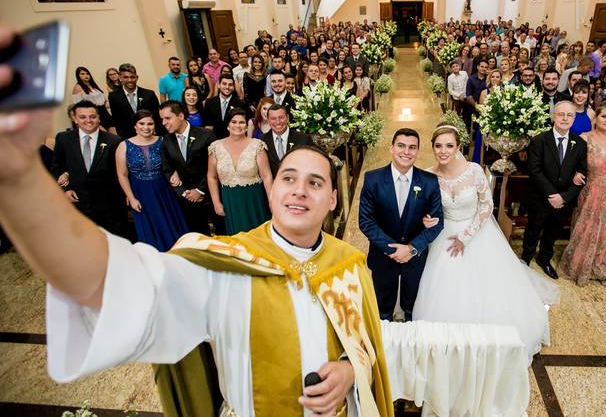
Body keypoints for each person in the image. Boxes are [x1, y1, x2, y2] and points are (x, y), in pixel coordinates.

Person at [0, 82, 393, 415]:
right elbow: (120, 283)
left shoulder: (349, 266)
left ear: (333, 200)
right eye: (288, 178)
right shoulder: (222, 264)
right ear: (272, 190)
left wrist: (349, 371)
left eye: (315, 182)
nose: (300, 190)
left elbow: (364, 341)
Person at [412, 125, 558, 362]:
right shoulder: (428, 175)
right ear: (432, 148)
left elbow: (486, 205)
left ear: (458, 147)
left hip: (476, 232)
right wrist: (426, 219)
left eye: (449, 145)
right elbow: (424, 207)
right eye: (438, 146)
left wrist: (465, 237)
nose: (443, 151)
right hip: (443, 234)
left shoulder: (474, 171)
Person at [359, 129, 444, 322]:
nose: (406, 152)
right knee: (382, 311)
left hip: (416, 259)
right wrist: (394, 250)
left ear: (418, 151)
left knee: (413, 310)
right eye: (401, 146)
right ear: (391, 148)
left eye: (412, 147)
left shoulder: (429, 181)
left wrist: (412, 249)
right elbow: (366, 221)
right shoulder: (372, 179)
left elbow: (438, 223)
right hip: (383, 257)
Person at [560, 102, 606, 285]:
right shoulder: (584, 138)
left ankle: (600, 265)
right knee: (586, 229)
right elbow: (571, 165)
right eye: (604, 116)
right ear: (596, 118)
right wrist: (575, 174)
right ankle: (579, 264)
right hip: (591, 192)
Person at [522, 101, 588, 279]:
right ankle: (526, 259)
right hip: (541, 197)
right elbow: (534, 171)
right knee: (533, 229)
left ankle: (544, 259)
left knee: (553, 231)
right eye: (561, 114)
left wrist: (564, 197)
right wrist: (553, 195)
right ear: (553, 116)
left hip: (564, 200)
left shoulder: (580, 144)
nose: (565, 118)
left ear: (574, 118)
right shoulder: (539, 141)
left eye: (569, 115)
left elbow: (582, 173)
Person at [115, 110, 188, 251]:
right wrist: (131, 198)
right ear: (135, 126)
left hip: (164, 190)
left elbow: (177, 162)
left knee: (171, 223)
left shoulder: (164, 140)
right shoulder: (123, 146)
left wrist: (176, 173)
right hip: (141, 193)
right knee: (149, 228)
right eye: (141, 124)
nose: (146, 127)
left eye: (150, 124)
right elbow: (122, 175)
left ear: (155, 125)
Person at [52, 101, 127, 236]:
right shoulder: (64, 139)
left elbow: (122, 173)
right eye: (82, 117)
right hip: (79, 203)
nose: (88, 120)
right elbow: (57, 166)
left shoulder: (114, 141)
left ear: (99, 118)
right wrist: (66, 189)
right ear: (75, 119)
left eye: (92, 116)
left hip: (110, 205)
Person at [208, 109, 272, 235]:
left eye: (242, 122)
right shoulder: (216, 147)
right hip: (230, 200)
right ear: (228, 125)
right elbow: (211, 177)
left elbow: (267, 176)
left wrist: (271, 201)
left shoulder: (257, 145)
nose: (238, 125)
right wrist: (216, 202)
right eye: (234, 122)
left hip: (254, 199)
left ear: (247, 126)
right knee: (237, 237)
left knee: (258, 235)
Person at [159, 101, 218, 235]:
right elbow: (167, 169)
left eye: (167, 118)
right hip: (187, 200)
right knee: (197, 236)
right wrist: (184, 192)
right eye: (162, 119)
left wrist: (200, 190)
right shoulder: (166, 141)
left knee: (222, 233)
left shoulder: (206, 135)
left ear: (180, 116)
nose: (163, 123)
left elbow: (216, 166)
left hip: (211, 195)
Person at [108, 63, 163, 138]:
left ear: (137, 77)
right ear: (120, 78)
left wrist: (158, 135)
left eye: (132, 77)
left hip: (150, 134)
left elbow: (157, 117)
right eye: (126, 77)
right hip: (129, 136)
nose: (129, 80)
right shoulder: (114, 96)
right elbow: (117, 120)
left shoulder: (149, 94)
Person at [259, 104, 312, 177]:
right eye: (273, 118)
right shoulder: (262, 141)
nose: (278, 122)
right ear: (268, 120)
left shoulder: (303, 139)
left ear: (287, 118)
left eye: (281, 117)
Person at [72, 66, 114, 133]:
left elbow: (103, 101)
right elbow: (78, 107)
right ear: (78, 76)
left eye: (87, 73)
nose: (86, 75)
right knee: (103, 134)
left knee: (114, 135)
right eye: (82, 74)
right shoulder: (78, 87)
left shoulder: (93, 85)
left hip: (104, 113)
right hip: (93, 113)